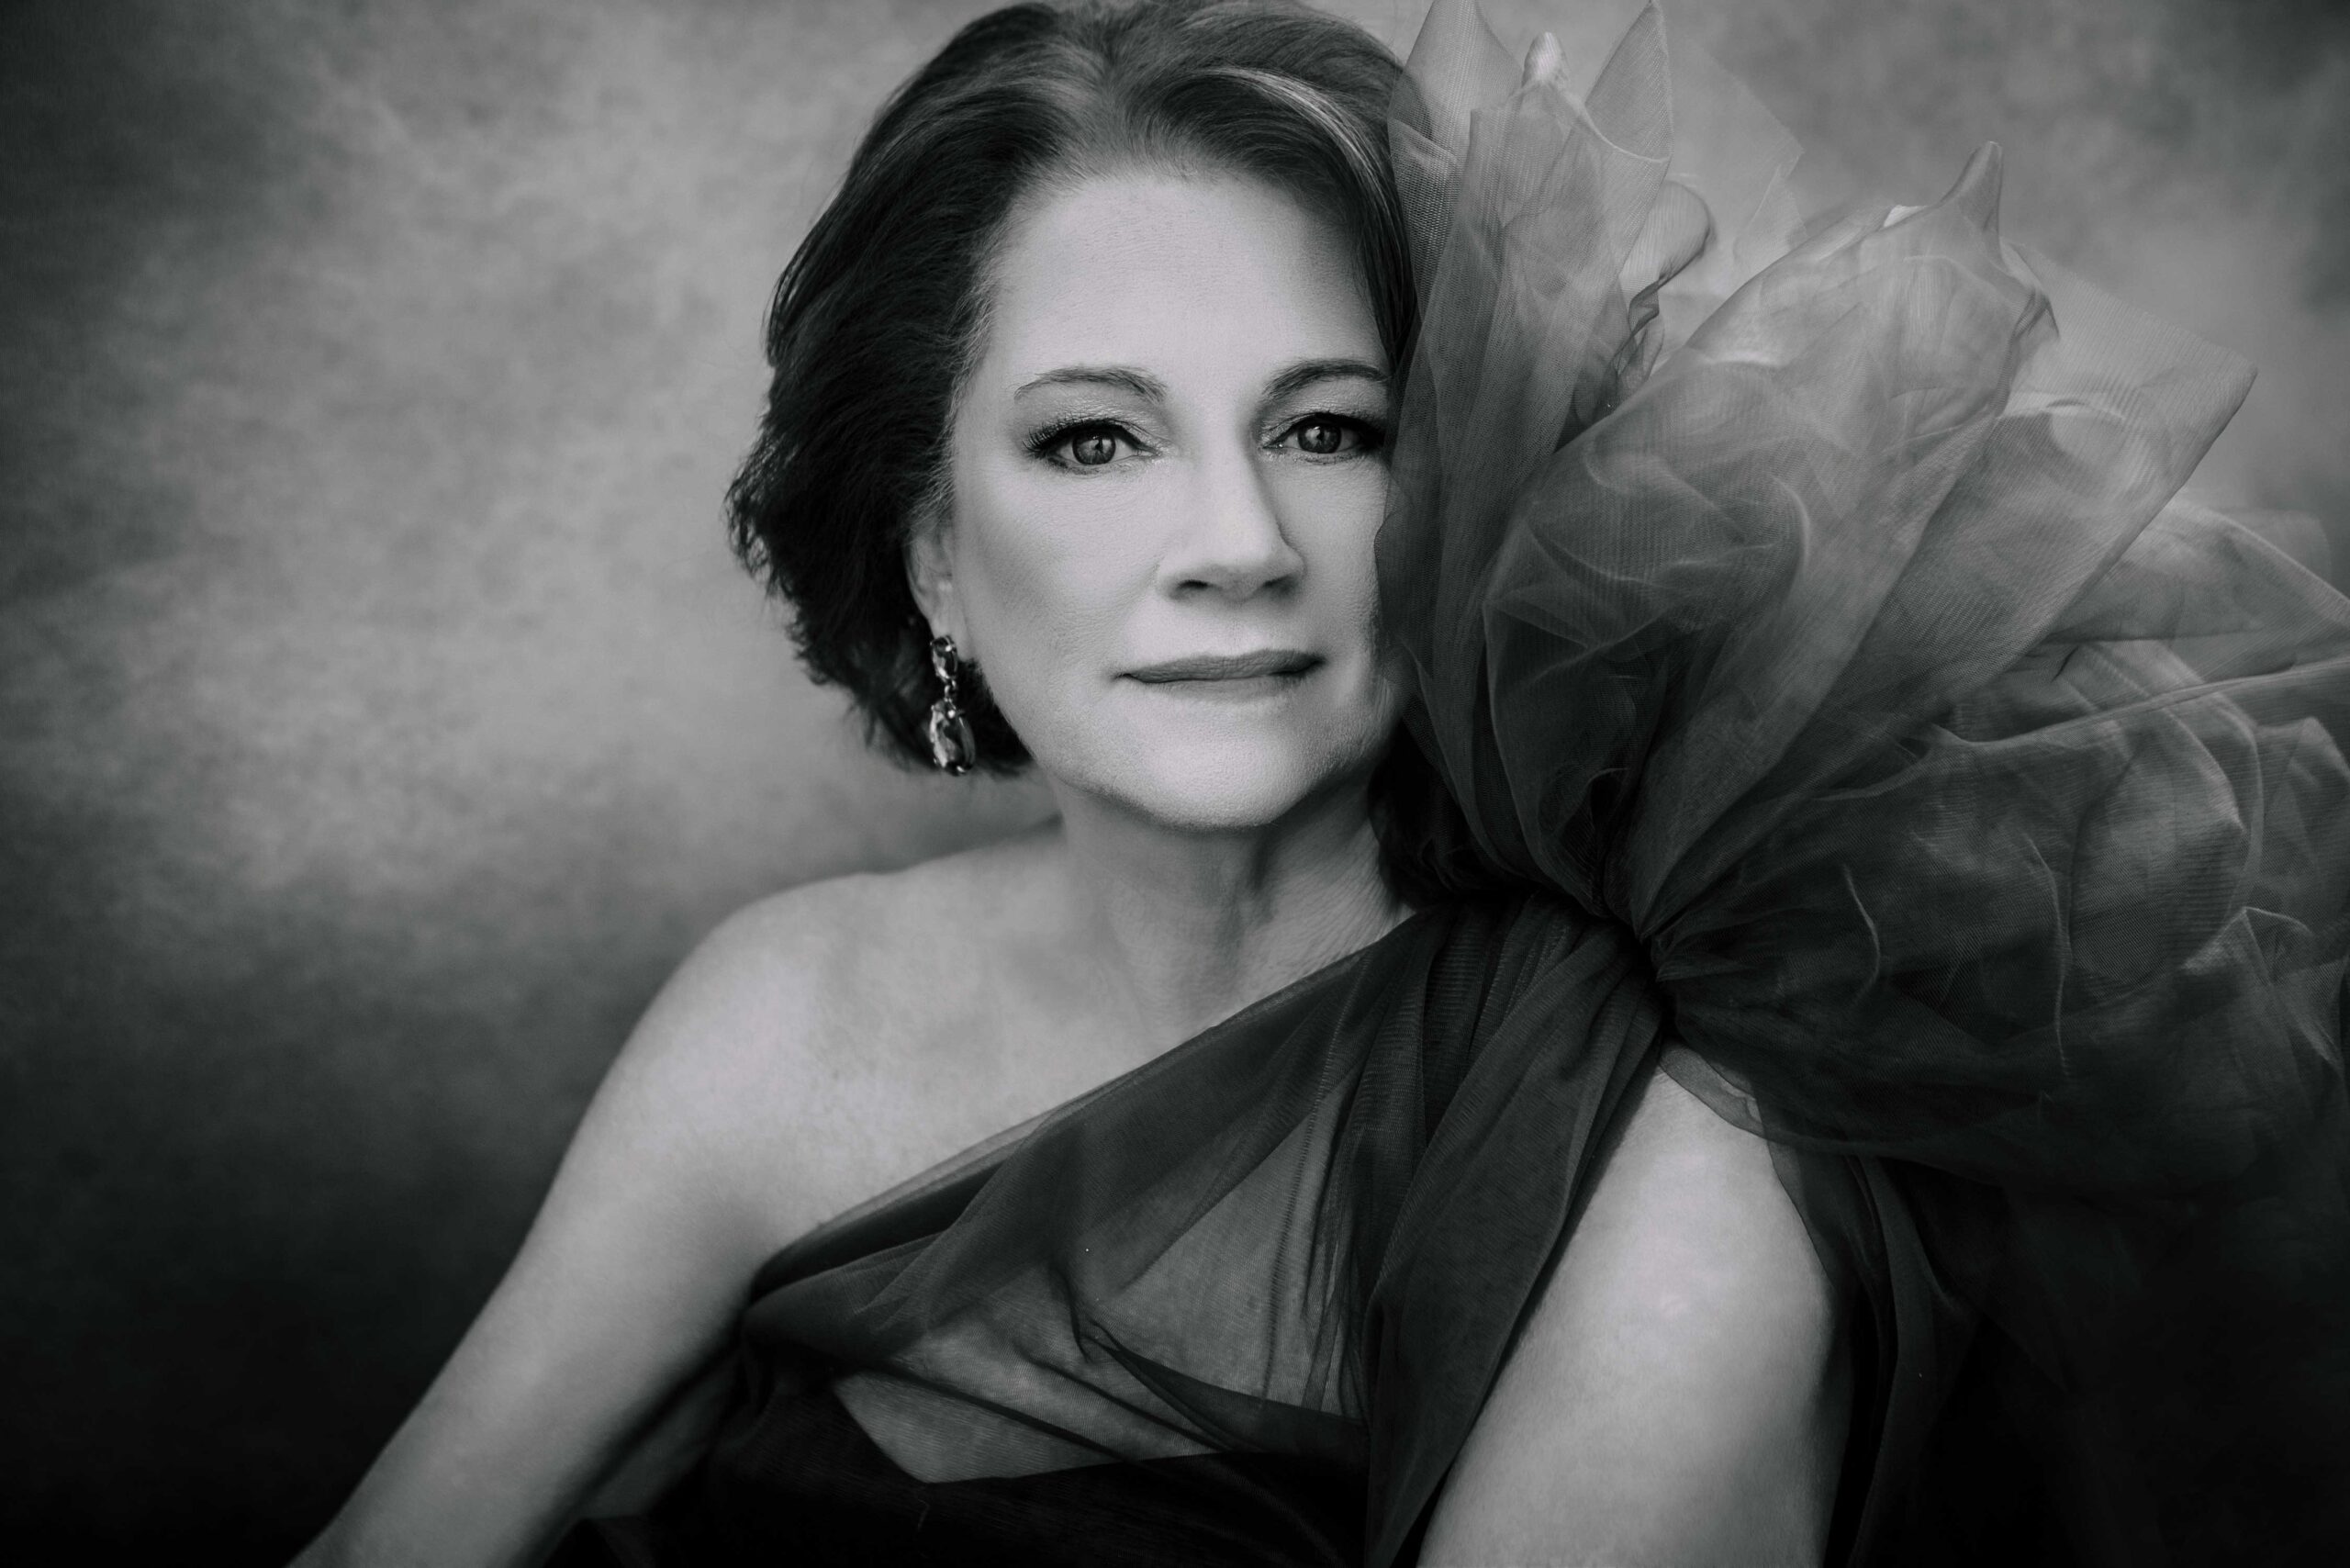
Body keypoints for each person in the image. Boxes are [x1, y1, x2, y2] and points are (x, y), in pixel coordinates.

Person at [296, 2, 2350, 1564]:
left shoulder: (1672, 1106)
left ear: (1456, 480)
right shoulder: (783, 1004)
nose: (1238, 543)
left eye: (1331, 429)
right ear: (929, 545)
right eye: (1093, 440)